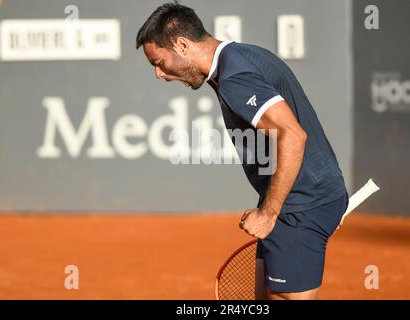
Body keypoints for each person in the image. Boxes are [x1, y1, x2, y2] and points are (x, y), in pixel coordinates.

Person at [136, 1, 348, 300]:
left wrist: (270, 213)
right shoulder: (243, 56)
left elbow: (293, 135)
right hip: (299, 198)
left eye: (158, 62)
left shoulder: (235, 78)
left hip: (299, 205)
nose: (159, 74)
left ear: (182, 45)